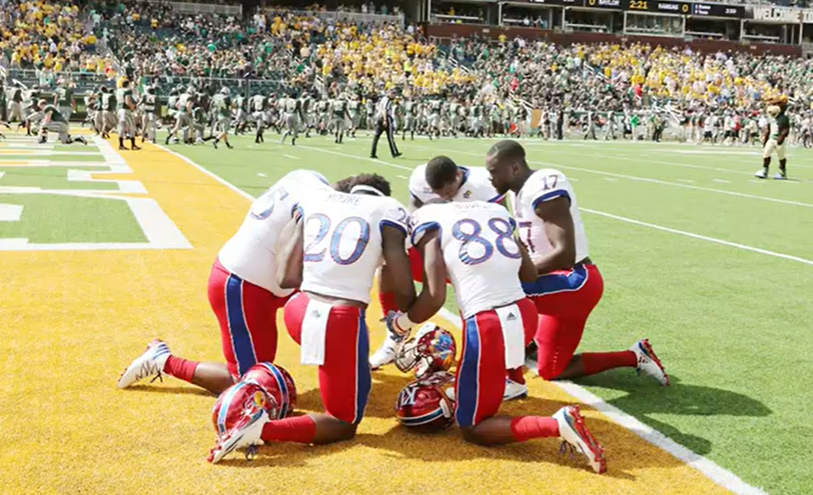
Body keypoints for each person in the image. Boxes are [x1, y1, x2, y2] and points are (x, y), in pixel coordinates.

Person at [383, 198, 607, 474]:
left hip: (488, 323)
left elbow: (435, 296)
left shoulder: (427, 219)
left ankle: (558, 424)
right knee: (478, 380)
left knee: (473, 426)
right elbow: (529, 273)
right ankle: (476, 387)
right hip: (524, 313)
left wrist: (401, 324)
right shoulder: (494, 210)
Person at [209, 174, 415, 463]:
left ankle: (333, 361)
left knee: (354, 376)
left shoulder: (315, 199)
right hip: (338, 318)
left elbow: (287, 277)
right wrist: (407, 315)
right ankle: (260, 429)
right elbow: (402, 288)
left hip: (301, 308)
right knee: (343, 421)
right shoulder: (389, 211)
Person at [117, 170, 337, 395]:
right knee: (249, 384)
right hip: (243, 286)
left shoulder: (308, 176)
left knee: (334, 310)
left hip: (259, 277)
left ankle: (344, 360)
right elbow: (287, 274)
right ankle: (162, 360)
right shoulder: (321, 203)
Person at [484, 140, 669, 386]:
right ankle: (635, 355)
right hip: (555, 284)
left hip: (576, 280)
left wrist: (516, 276)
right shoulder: (516, 192)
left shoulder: (543, 186)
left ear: (515, 168)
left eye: (494, 171)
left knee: (498, 293)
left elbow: (564, 254)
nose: (490, 178)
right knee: (551, 370)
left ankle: (509, 378)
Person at [756, 96, 790, 180]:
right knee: (766, 154)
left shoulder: (784, 118)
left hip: (779, 140)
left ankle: (782, 172)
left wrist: (782, 136)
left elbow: (786, 129)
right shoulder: (771, 118)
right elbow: (768, 129)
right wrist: (765, 138)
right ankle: (765, 170)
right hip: (771, 139)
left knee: (781, 156)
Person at [370, 89, 401, 159]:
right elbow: (385, 110)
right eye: (393, 94)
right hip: (386, 118)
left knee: (376, 137)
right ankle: (394, 153)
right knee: (390, 137)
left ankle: (373, 153)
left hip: (379, 118)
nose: (394, 96)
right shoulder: (387, 100)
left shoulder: (383, 99)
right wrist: (385, 120)